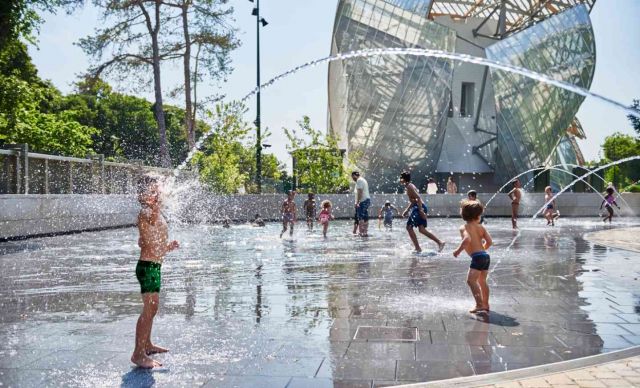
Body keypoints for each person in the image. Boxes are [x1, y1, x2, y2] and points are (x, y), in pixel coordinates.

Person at [131, 175, 180, 369]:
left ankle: (147, 344)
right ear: (143, 195)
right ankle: (138, 354)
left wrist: (169, 247)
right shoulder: (145, 212)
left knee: (153, 308)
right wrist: (158, 199)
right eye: (151, 191)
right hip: (147, 267)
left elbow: (153, 244)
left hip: (153, 266)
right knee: (149, 308)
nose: (155, 194)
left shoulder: (154, 213)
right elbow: (150, 222)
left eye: (155, 190)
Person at [453, 200, 493, 314]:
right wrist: (482, 250)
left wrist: (458, 251)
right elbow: (489, 242)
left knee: (471, 281)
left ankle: (479, 304)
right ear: (477, 216)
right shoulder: (481, 227)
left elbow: (467, 240)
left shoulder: (464, 227)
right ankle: (486, 304)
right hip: (485, 256)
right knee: (482, 281)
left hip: (477, 257)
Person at [400, 171, 445, 253]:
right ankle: (439, 242)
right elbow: (414, 201)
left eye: (400, 178)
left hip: (419, 208)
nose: (399, 180)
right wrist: (407, 210)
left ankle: (418, 248)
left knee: (409, 227)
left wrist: (421, 211)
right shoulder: (409, 185)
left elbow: (418, 198)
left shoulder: (409, 187)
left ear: (403, 179)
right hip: (418, 207)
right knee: (421, 229)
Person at [352, 171, 371, 237]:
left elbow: (360, 192)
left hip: (362, 201)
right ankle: (365, 232)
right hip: (367, 200)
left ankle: (361, 232)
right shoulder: (363, 180)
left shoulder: (359, 180)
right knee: (365, 217)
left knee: (360, 217)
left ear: (354, 175)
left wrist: (357, 202)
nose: (352, 179)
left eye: (352, 177)